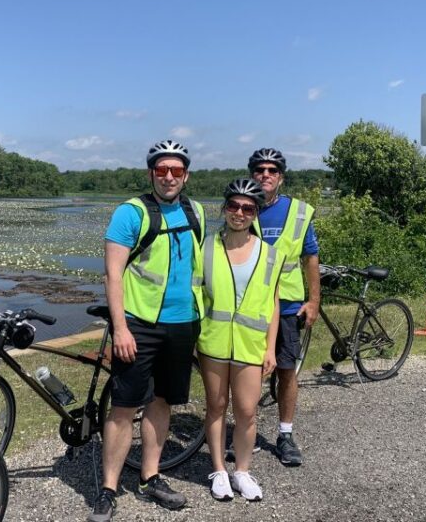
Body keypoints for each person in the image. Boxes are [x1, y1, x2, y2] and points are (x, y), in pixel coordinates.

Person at [89, 140, 206, 522]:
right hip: (139, 325)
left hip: (182, 323)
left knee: (162, 402)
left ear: (186, 175)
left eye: (176, 171)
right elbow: (113, 275)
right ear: (151, 173)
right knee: (124, 406)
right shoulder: (130, 213)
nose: (169, 177)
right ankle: (108, 488)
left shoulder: (196, 211)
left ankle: (149, 476)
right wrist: (120, 328)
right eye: (161, 170)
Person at [197, 178, 284, 502]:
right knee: (216, 407)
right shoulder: (206, 247)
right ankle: (219, 469)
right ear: (225, 208)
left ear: (256, 213)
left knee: (247, 411)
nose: (239, 212)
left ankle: (242, 471)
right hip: (214, 341)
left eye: (248, 208)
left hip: (251, 344)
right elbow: (196, 294)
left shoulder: (271, 254)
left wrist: (271, 347)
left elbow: (273, 304)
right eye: (233, 205)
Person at [248, 147, 320, 466]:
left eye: (272, 170)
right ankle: (245, 435)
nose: (266, 174)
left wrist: (314, 300)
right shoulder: (243, 208)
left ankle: (286, 435)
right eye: (260, 170)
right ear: (252, 174)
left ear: (281, 177)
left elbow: (310, 257)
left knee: (287, 370)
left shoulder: (299, 212)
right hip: (251, 306)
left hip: (289, 306)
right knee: (249, 372)